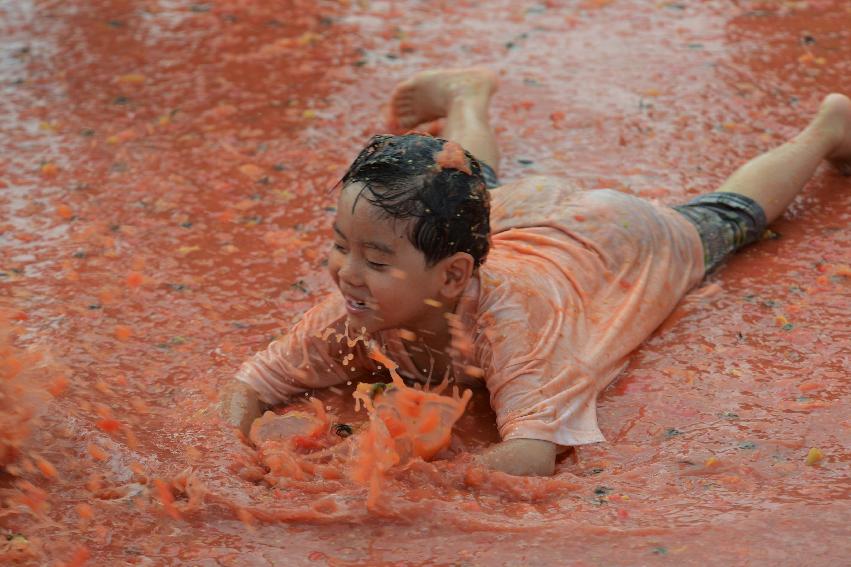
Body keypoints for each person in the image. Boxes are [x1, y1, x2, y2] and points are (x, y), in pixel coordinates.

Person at [220, 66, 851, 476]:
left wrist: (397, 474)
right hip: (511, 219)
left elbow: (531, 451)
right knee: (469, 183)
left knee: (725, 218)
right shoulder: (354, 308)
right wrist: (238, 452)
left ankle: (826, 129)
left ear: (451, 279)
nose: (347, 273)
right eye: (340, 246)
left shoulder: (509, 326)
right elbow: (254, 383)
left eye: (374, 258)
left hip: (610, 240)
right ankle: (468, 93)